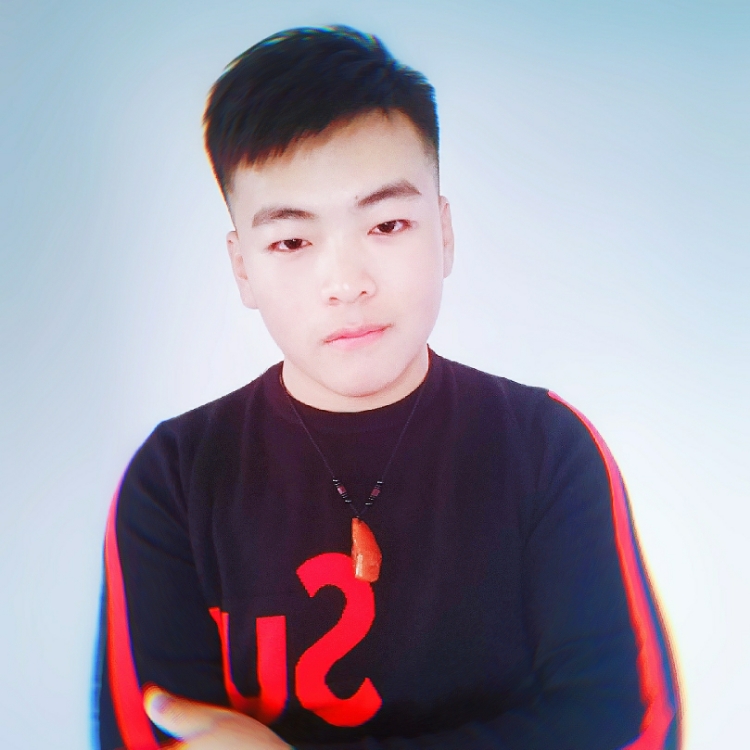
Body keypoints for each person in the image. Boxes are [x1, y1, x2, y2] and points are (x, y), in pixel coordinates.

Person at [94, 25, 680, 750]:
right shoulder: (176, 478)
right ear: (243, 267)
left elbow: (633, 726)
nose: (347, 283)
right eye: (292, 241)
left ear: (444, 233)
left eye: (388, 224)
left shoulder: (545, 446)